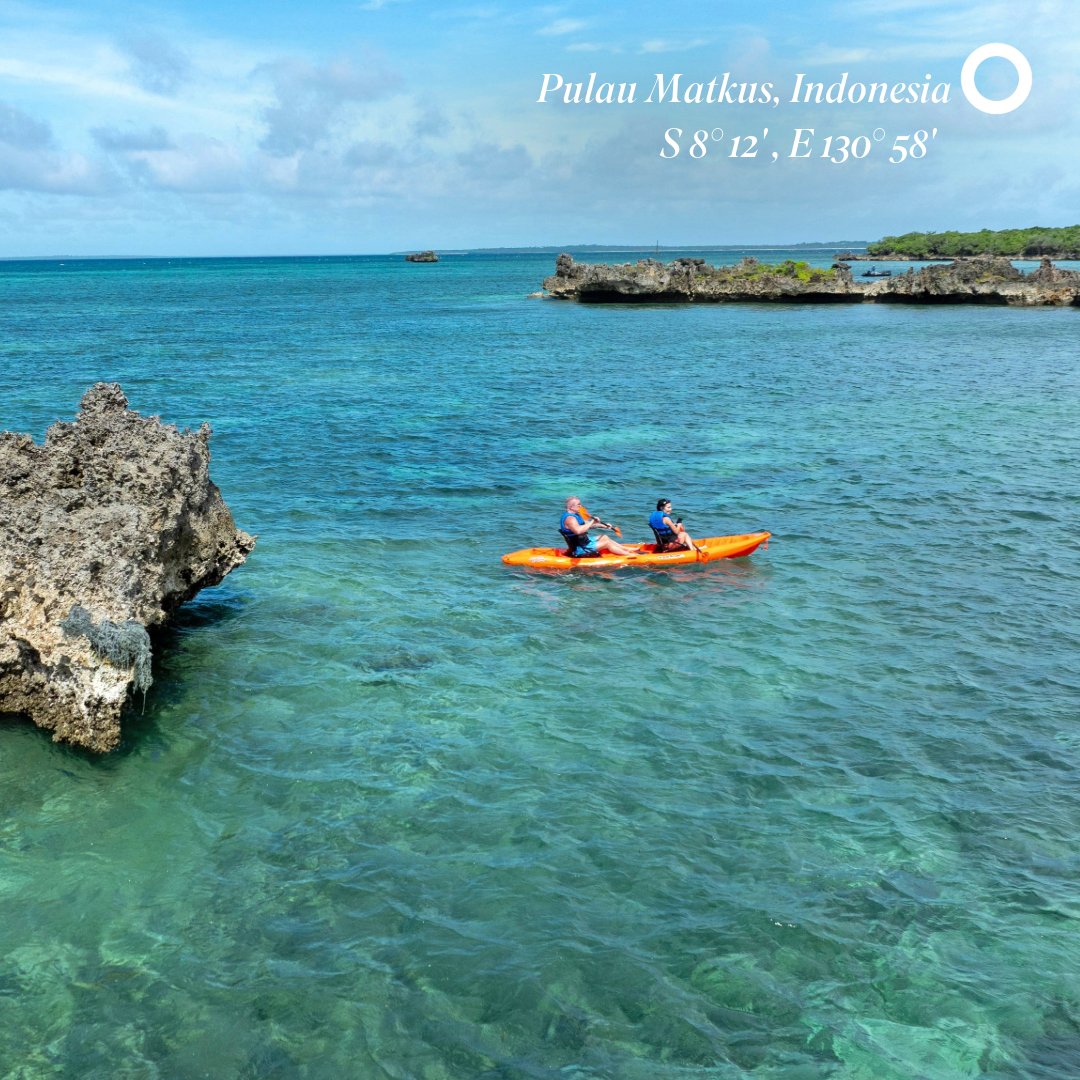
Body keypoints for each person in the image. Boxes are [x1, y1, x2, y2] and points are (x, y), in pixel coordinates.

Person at [560, 497, 637, 558]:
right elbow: (578, 531)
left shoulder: (575, 515)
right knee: (607, 543)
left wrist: (604, 526)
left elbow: (586, 525)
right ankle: (628, 555)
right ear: (571, 507)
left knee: (604, 537)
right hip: (580, 548)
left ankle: (626, 549)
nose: (581, 506)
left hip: (584, 542)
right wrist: (592, 521)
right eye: (578, 504)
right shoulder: (570, 519)